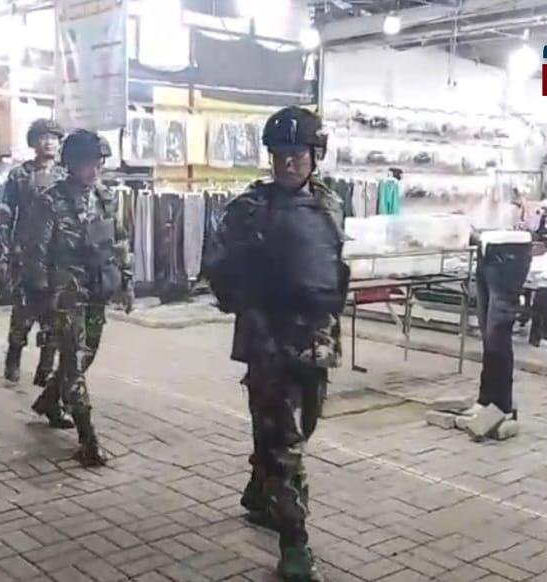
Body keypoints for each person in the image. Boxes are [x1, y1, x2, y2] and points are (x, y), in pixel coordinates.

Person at [203, 107, 347, 582]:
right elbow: (217, 267)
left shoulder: (330, 203)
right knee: (287, 446)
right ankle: (294, 545)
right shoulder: (248, 208)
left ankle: (258, 488)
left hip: (317, 342)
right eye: (280, 154)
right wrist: (253, 300)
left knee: (301, 428)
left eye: (298, 154)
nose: (288, 163)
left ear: (315, 155)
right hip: (269, 343)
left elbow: (334, 264)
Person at [17, 130, 133, 467]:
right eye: (88, 164)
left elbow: (120, 241)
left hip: (97, 288)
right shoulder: (50, 202)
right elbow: (35, 253)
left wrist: (126, 282)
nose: (95, 170)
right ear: (71, 164)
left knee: (85, 356)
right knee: (72, 357)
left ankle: (49, 401)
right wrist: (40, 297)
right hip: (64, 293)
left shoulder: (105, 197)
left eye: (99, 163)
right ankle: (87, 438)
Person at [0, 119, 66, 397]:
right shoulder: (19, 175)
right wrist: (4, 249)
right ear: (34, 142)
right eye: (43, 137)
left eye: (53, 137)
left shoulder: (65, 176)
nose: (48, 142)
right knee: (23, 313)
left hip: (57, 256)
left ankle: (45, 367)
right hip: (25, 254)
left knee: (54, 314)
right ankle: (14, 357)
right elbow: (6, 214)